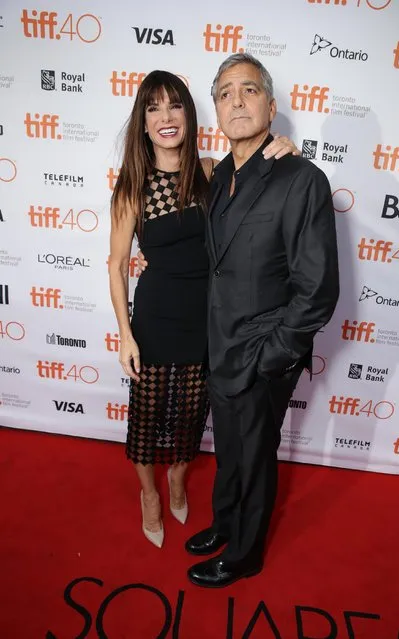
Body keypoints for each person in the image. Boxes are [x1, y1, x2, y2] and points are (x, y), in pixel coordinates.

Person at [108, 69, 299, 549]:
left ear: (189, 116)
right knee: (146, 419)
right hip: (153, 318)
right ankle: (150, 496)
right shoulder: (133, 185)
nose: (166, 117)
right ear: (144, 122)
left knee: (191, 417)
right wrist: (126, 334)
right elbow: (116, 266)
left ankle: (177, 480)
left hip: (207, 321)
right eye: (153, 108)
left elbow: (261, 179)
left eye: (175, 105)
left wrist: (289, 151)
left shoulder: (212, 170)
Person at [183, 53, 340, 587]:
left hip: (261, 355)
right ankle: (225, 522)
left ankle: (245, 553)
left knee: (254, 458)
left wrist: (270, 357)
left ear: (271, 107)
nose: (236, 101)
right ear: (217, 111)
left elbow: (317, 290)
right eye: (225, 94)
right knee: (228, 449)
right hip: (219, 345)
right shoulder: (217, 174)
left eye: (248, 90)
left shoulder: (301, 178)